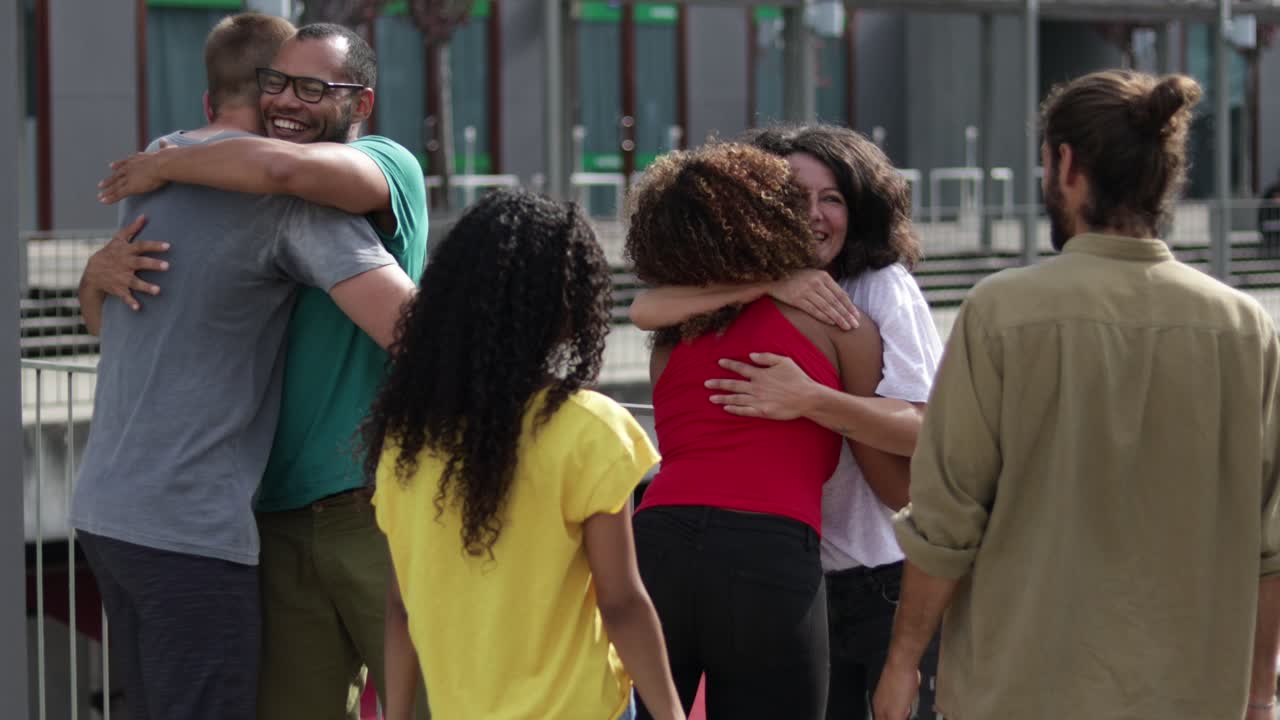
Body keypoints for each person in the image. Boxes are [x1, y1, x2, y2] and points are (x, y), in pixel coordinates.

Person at [872, 70, 1280, 720]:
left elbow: (946, 518)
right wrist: (1260, 695)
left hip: (1019, 689)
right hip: (1194, 693)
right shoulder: (1245, 327)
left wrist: (901, 665)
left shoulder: (1000, 313)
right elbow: (1271, 545)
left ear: (1065, 165)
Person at [70, 13, 415, 720]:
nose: (290, 102)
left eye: (311, 88)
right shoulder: (253, 196)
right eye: (280, 85)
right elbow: (415, 330)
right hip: (234, 523)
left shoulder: (160, 179)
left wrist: (164, 161)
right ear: (260, 98)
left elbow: (280, 168)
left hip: (345, 506)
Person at [628, 124, 943, 719]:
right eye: (796, 198)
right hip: (784, 565)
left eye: (833, 199)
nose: (816, 215)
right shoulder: (724, 297)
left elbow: (924, 429)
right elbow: (645, 308)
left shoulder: (877, 290)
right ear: (762, 205)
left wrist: (810, 399)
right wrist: (770, 281)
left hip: (869, 572)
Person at [364, 189, 684, 720]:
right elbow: (621, 601)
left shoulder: (406, 440)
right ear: (568, 309)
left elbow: (401, 608)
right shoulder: (590, 429)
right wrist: (672, 714)